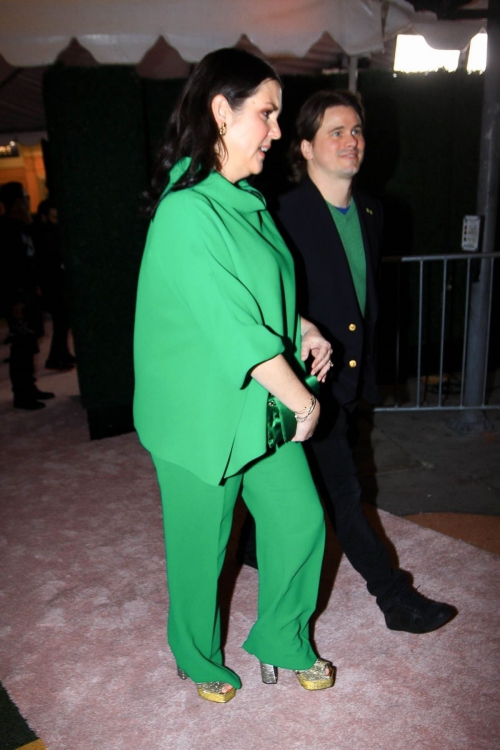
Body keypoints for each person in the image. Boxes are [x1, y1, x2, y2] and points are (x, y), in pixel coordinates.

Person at [133, 49, 336, 704]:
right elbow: (233, 330)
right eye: (267, 115)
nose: (277, 133)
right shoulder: (186, 214)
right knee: (202, 550)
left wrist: (300, 326)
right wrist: (304, 402)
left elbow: (257, 295)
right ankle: (197, 658)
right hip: (199, 416)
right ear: (222, 112)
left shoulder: (244, 200)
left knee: (301, 520)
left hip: (254, 406)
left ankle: (282, 637)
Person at [269, 90, 454, 634]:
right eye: (335, 132)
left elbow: (364, 303)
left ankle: (252, 550)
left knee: (322, 488)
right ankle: (394, 598)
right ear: (303, 146)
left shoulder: (373, 210)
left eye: (357, 132)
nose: (351, 141)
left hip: (350, 383)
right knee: (345, 494)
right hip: (305, 381)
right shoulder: (281, 213)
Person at [0, 181, 54, 409]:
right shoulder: (6, 230)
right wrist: (15, 299)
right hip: (18, 296)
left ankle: (29, 387)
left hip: (28, 293)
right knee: (22, 344)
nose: (27, 201)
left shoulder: (23, 226)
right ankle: (22, 393)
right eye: (24, 198)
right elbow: (8, 269)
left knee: (30, 341)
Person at [32, 199, 75, 370]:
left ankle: (61, 354)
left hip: (55, 282)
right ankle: (57, 357)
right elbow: (49, 258)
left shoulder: (48, 232)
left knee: (62, 323)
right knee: (60, 322)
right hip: (52, 283)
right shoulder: (44, 234)